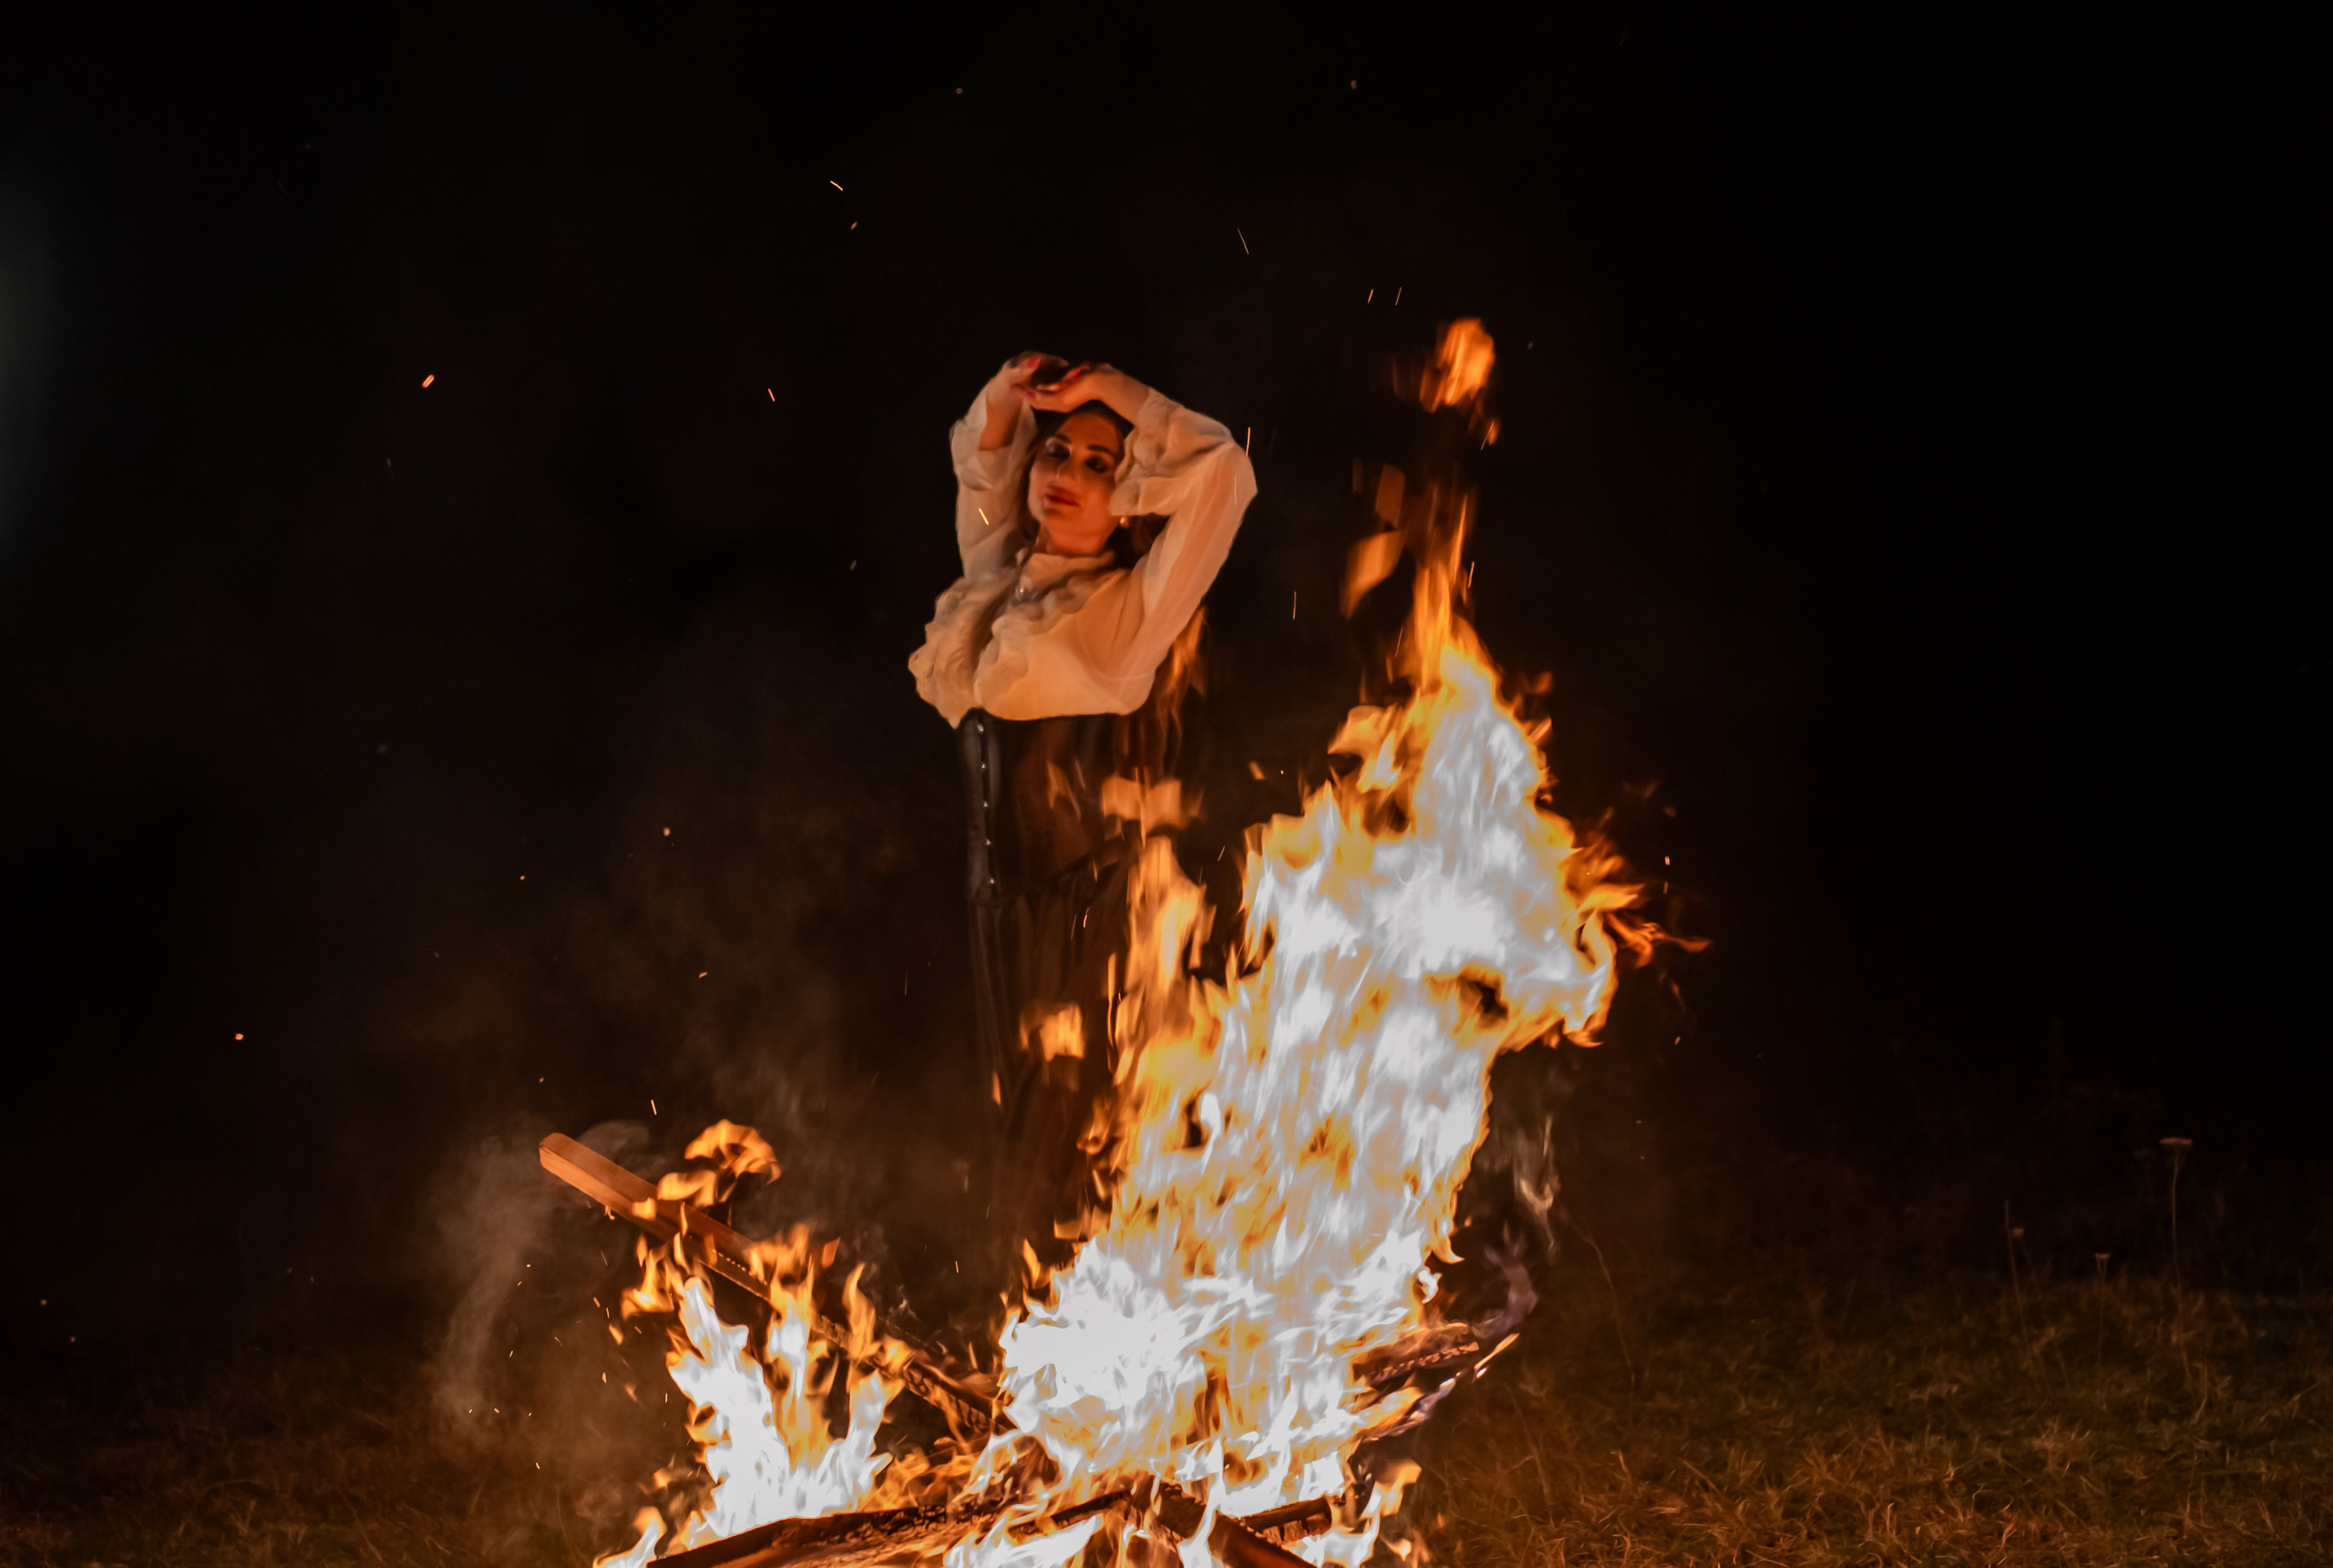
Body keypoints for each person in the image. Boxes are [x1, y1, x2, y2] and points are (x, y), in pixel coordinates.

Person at [910, 354, 1256, 1254]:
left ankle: (1041, 1334)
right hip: (997, 898)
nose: (1066, 473)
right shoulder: (994, 579)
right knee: (1015, 1119)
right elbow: (982, 458)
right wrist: (1012, 387)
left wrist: (1107, 386)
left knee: (1057, 1127)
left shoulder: (1125, 612)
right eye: (1058, 452)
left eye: (1101, 465)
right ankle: (1038, 1327)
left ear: (1135, 495)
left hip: (1085, 903)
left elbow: (1222, 474)